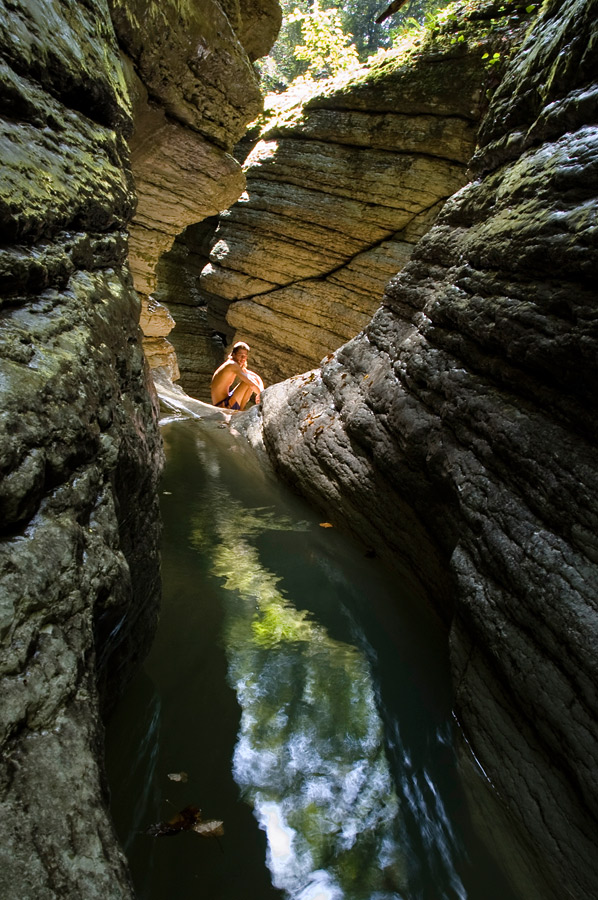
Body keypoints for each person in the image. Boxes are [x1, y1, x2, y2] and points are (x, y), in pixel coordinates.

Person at [211, 341, 264, 411]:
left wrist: (262, 392)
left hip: (228, 400)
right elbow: (250, 383)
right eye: (240, 355)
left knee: (251, 378)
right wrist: (263, 397)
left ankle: (241, 410)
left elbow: (255, 376)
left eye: (245, 356)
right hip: (223, 405)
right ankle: (240, 411)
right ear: (233, 354)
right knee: (247, 382)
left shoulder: (236, 364)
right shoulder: (232, 364)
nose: (243, 358)